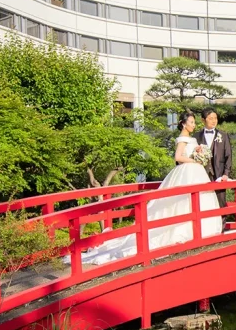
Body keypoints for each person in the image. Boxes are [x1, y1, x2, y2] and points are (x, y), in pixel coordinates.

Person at [74, 113, 222, 266]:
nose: (193, 124)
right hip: (188, 170)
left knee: (199, 199)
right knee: (182, 202)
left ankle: (201, 232)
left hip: (196, 172)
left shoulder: (192, 139)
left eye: (194, 122)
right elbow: (178, 157)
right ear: (183, 124)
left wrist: (200, 156)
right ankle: (186, 233)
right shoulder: (182, 139)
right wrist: (194, 160)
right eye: (191, 122)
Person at [197, 107, 233, 208]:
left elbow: (228, 155)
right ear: (203, 120)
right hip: (202, 174)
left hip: (219, 174)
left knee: (221, 203)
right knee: (204, 204)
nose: (214, 121)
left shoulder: (223, 135)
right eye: (210, 118)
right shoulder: (196, 136)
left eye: (215, 118)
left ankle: (222, 224)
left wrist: (226, 173)